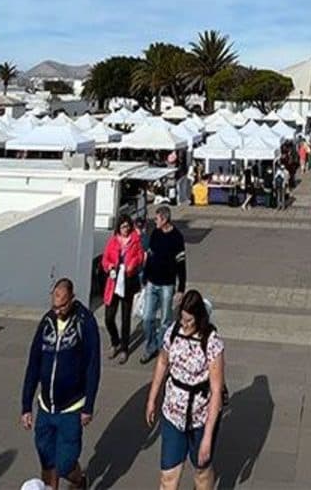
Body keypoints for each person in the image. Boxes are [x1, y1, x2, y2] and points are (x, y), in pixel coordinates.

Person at [21, 278, 101, 490]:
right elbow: (34, 363)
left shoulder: (85, 322)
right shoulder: (46, 323)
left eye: (62, 306)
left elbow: (93, 366)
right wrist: (26, 405)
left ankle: (79, 479)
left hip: (71, 408)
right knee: (47, 461)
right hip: (46, 407)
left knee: (65, 464)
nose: (57, 311)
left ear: (72, 299)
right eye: (54, 306)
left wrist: (88, 406)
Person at [146, 289, 226, 490]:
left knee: (201, 472)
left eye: (189, 320)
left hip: (200, 417)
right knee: (168, 478)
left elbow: (216, 391)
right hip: (173, 415)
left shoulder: (212, 342)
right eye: (182, 318)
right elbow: (162, 363)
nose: (185, 324)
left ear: (199, 317)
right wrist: (152, 398)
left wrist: (207, 438)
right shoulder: (173, 333)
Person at [141, 206, 187, 365]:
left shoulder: (177, 237)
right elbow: (150, 255)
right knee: (147, 318)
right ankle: (151, 345)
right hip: (152, 282)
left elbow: (181, 263)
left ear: (165, 219)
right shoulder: (155, 233)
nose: (155, 221)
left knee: (165, 320)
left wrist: (181, 288)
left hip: (167, 284)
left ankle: (162, 349)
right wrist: (145, 277)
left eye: (157, 218)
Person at [102, 215, 145, 364]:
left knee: (125, 318)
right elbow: (105, 259)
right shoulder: (113, 241)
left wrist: (133, 263)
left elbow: (140, 256)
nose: (126, 230)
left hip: (128, 281)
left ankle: (124, 349)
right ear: (118, 228)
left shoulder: (135, 240)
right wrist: (109, 267)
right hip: (114, 281)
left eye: (128, 226)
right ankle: (116, 342)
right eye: (123, 227)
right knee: (109, 317)